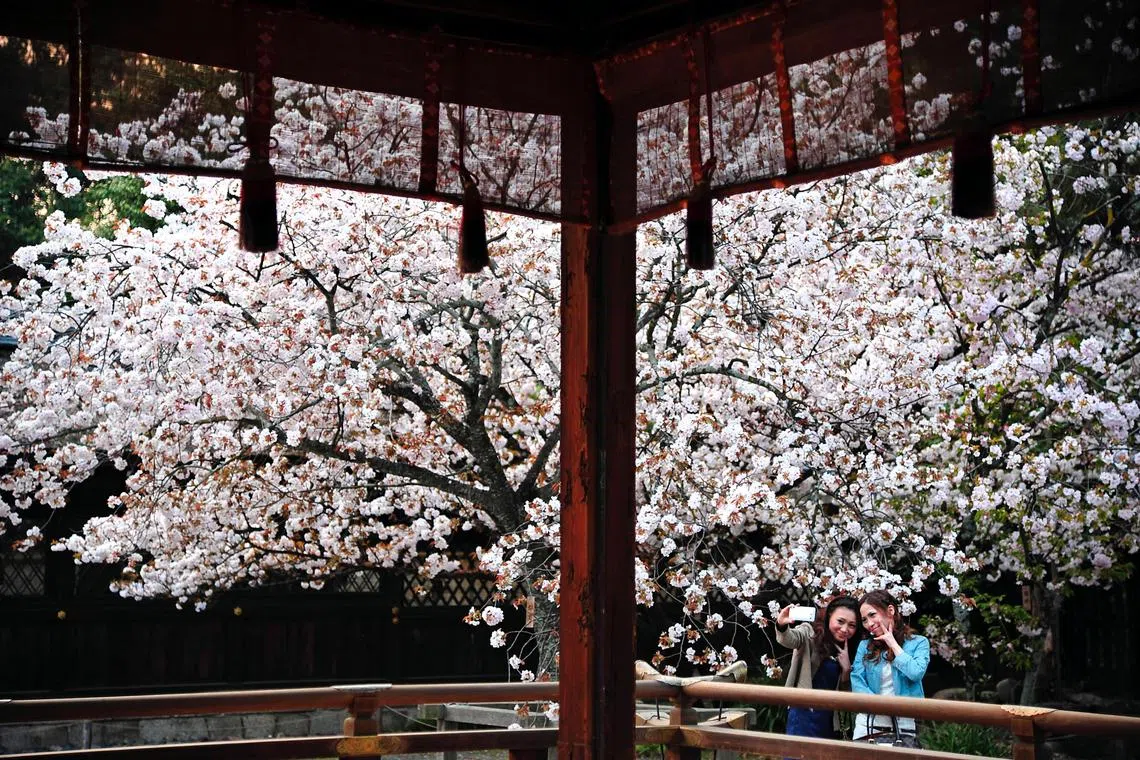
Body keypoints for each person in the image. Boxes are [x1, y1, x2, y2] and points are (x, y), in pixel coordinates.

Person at [849, 590, 930, 745]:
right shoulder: (865, 646)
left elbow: (916, 672)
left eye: (872, 615)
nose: (869, 624)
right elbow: (857, 681)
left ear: (890, 611)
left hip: (904, 723)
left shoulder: (918, 643)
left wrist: (892, 643)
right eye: (864, 620)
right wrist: (880, 706)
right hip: (868, 723)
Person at [774, 596, 860, 740]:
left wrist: (846, 670)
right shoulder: (810, 633)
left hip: (830, 720)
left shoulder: (852, 648)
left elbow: (847, 695)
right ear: (828, 616)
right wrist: (782, 625)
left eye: (852, 625)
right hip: (804, 713)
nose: (845, 629)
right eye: (840, 621)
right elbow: (790, 639)